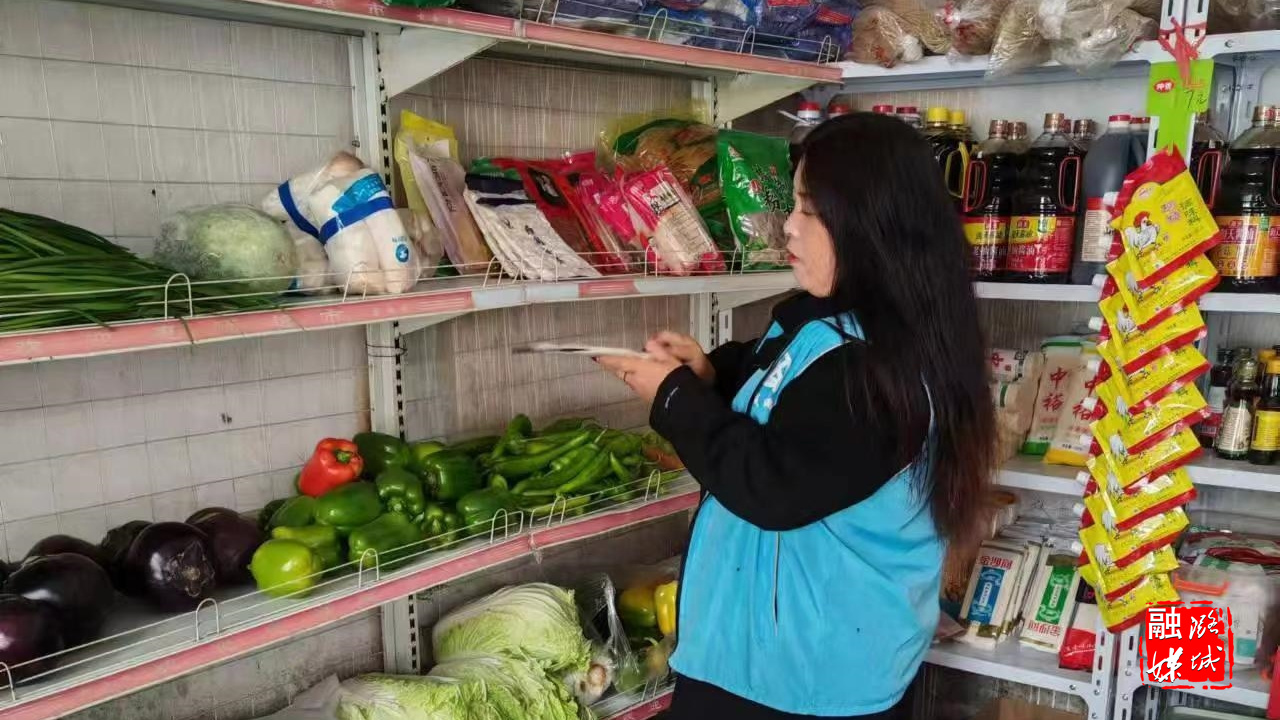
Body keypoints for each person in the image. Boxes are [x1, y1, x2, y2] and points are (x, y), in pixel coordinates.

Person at [597, 112, 996, 720]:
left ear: (868, 224)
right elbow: (787, 393)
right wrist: (709, 375)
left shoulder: (879, 369)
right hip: (760, 658)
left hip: (803, 682)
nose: (788, 224)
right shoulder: (832, 321)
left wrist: (674, 399)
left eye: (808, 209)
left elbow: (774, 486)